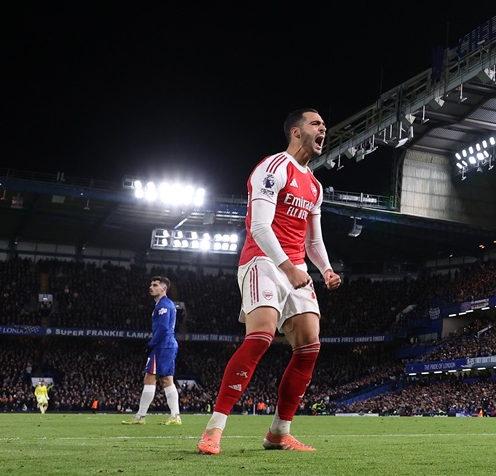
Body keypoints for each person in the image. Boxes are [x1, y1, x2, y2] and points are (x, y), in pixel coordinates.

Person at [197, 109, 342, 455]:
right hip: (261, 259)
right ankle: (213, 429)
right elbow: (259, 227)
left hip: (295, 265)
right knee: (261, 335)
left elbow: (312, 240)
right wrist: (289, 268)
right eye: (315, 123)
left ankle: (279, 432)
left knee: (310, 344)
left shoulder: (315, 186)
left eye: (324, 124)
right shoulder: (272, 168)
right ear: (295, 131)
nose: (324, 128)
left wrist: (325, 269)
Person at [123, 276, 182, 425]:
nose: (151, 287)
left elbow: (163, 328)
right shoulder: (165, 304)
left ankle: (140, 417)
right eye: (151, 284)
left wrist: (151, 344)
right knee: (167, 380)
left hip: (163, 345)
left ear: (164, 289)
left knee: (149, 377)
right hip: (168, 344)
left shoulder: (164, 305)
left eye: (155, 285)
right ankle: (175, 416)